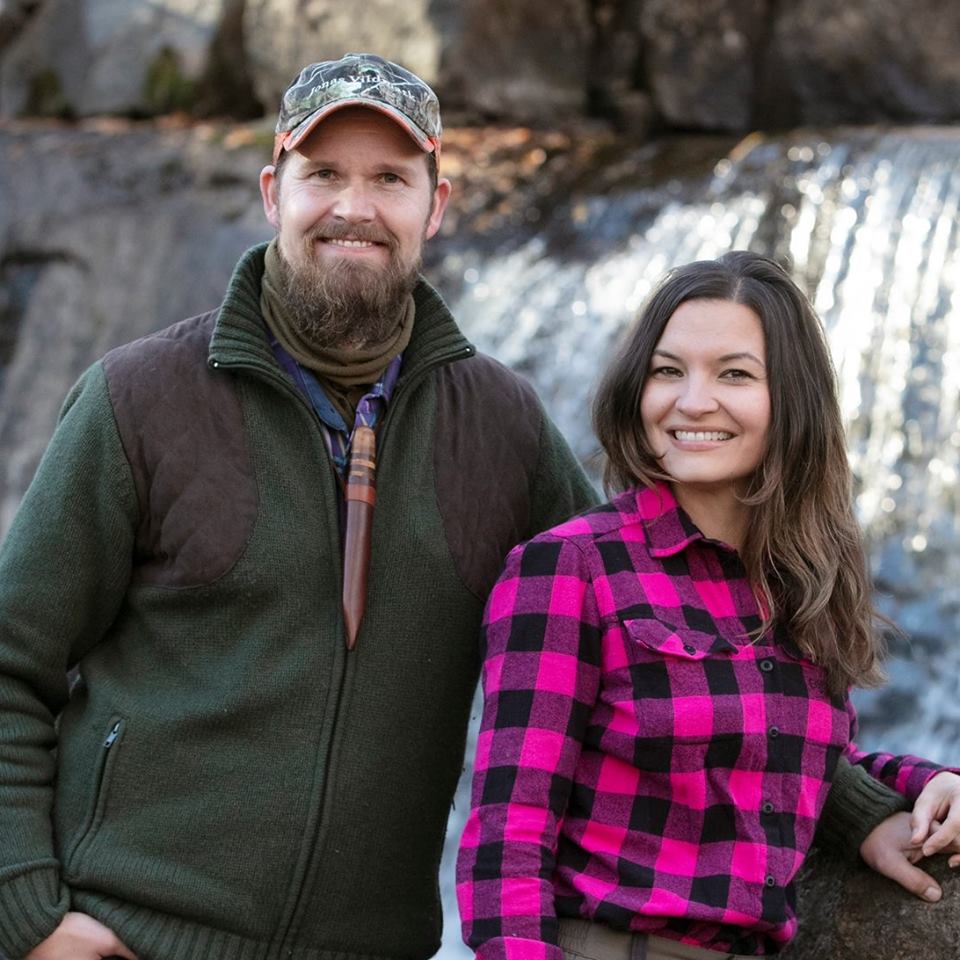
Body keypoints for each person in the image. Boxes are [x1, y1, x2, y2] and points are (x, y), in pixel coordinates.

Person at [0, 56, 940, 960]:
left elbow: (669, 637)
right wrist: (26, 910)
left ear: (435, 205)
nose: (354, 207)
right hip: (132, 936)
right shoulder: (139, 398)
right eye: (323, 172)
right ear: (272, 190)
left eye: (391, 178)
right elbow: (12, 664)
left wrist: (863, 807)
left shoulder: (501, 426)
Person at [456, 251, 960, 960]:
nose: (692, 401)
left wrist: (925, 782)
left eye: (734, 374)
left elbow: (797, 760)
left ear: (792, 400)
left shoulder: (799, 581)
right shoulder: (571, 567)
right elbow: (509, 835)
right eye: (668, 371)